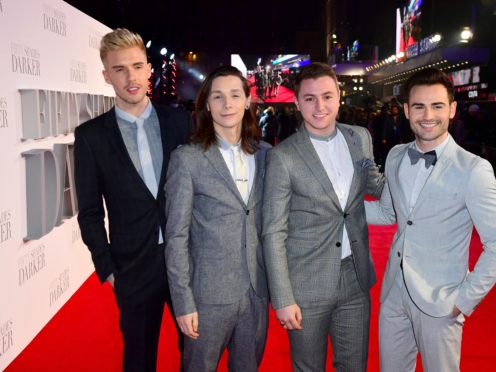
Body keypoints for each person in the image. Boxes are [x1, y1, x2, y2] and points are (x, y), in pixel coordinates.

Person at [74, 28, 193, 372]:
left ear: (149, 70)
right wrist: (108, 268)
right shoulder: (91, 136)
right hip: (133, 268)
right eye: (120, 69)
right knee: (139, 360)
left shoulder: (179, 122)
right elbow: (90, 212)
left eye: (137, 66)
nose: (131, 77)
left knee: (198, 353)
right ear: (106, 75)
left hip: (186, 260)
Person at [365, 68, 496, 371]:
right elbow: (388, 213)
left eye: (437, 106)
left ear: (451, 109)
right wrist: (336, 209)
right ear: (407, 110)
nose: (428, 115)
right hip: (394, 293)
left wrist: (463, 300)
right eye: (419, 106)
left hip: (441, 302)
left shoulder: (473, 169)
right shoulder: (397, 155)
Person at [262, 62, 384, 372]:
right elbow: (273, 231)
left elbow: (374, 185)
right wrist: (283, 297)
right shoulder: (283, 156)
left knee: (354, 365)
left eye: (327, 97)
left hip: (355, 277)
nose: (320, 106)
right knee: (308, 368)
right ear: (296, 101)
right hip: (306, 283)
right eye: (310, 98)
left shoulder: (359, 137)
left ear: (339, 97)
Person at [165, 65, 270, 371]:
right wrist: (183, 302)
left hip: (256, 294)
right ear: (207, 104)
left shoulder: (266, 154)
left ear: (248, 101)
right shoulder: (187, 159)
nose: (228, 104)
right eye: (218, 97)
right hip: (206, 297)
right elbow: (176, 237)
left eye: (235, 95)